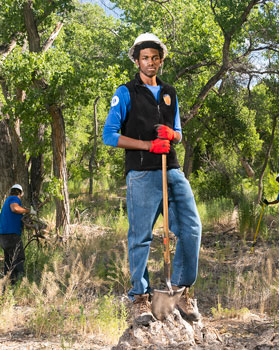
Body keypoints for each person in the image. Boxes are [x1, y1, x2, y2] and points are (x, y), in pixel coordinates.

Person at [103, 33, 202, 326]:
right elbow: (109, 135)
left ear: (161, 60)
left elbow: (179, 132)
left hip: (171, 169)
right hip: (142, 173)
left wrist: (173, 135)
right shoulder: (126, 92)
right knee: (140, 238)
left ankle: (181, 291)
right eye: (145, 57)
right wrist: (147, 145)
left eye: (155, 57)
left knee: (191, 227)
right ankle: (140, 298)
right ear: (137, 60)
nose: (151, 62)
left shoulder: (170, 92)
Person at [0, 184, 36, 284]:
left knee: (9, 261)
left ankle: (8, 285)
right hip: (11, 235)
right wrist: (29, 211)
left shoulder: (7, 201)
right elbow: (15, 209)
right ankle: (21, 283)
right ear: (20, 193)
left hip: (3, 236)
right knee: (18, 258)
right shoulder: (14, 198)